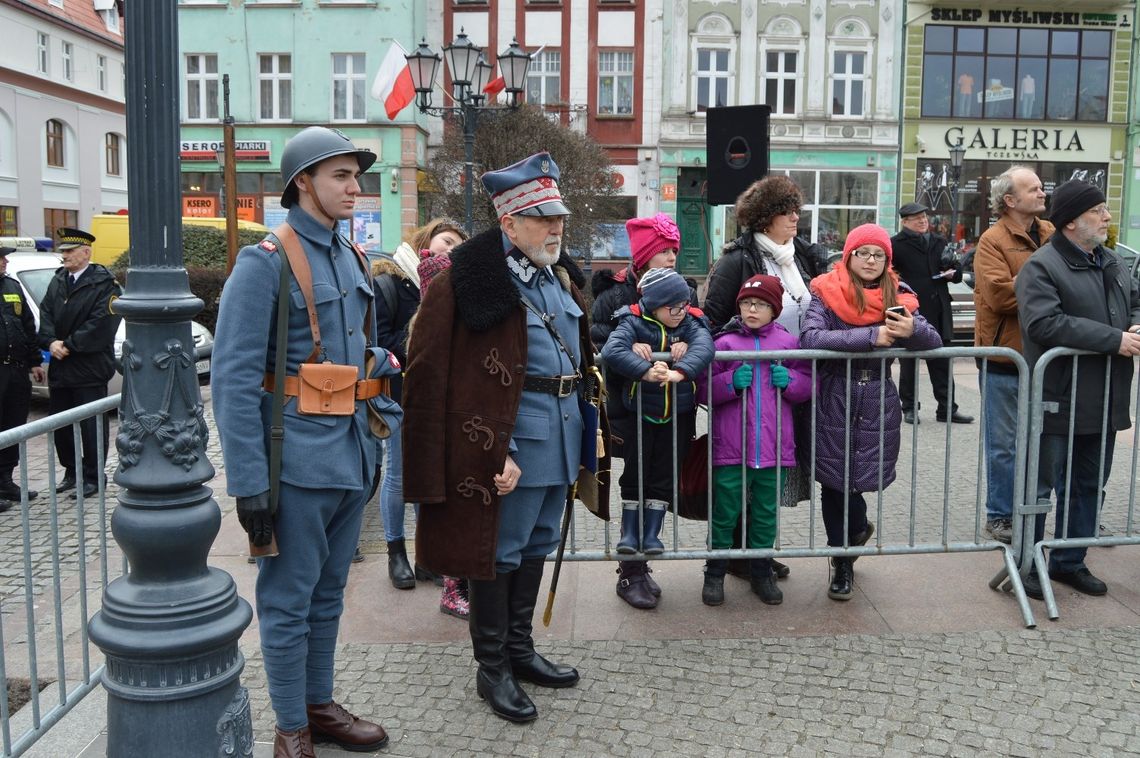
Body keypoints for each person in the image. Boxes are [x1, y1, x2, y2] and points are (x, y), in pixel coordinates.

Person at [402, 152, 608, 724]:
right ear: (509, 223)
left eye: (558, 216)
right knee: (499, 552)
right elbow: (430, 373)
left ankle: (520, 650)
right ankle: (491, 667)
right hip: (509, 447)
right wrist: (494, 448)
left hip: (562, 435)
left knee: (538, 543)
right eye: (543, 217)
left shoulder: (555, 274)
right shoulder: (466, 279)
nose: (556, 227)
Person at [212, 126, 389, 756]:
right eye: (340, 175)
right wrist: (249, 483)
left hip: (350, 454)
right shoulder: (266, 260)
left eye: (355, 175)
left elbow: (348, 350)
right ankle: (291, 728)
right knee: (288, 602)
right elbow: (232, 379)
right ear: (302, 183)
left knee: (328, 594)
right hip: (293, 461)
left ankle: (319, 704)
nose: (354, 187)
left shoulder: (352, 256)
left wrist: (381, 367)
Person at [799, 224, 942, 601]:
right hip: (834, 395)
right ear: (848, 256)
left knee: (859, 478)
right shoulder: (826, 292)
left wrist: (912, 330)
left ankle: (857, 530)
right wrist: (870, 337)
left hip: (878, 397)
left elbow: (934, 341)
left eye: (878, 255)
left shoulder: (900, 294)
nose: (871, 260)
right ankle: (841, 562)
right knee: (835, 480)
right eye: (863, 253)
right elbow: (811, 338)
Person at [1016, 180, 1140, 600]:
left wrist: (1135, 325)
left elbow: (1135, 300)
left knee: (1090, 485)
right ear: (1071, 221)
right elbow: (1043, 324)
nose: (1107, 217)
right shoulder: (1042, 266)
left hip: (1105, 398)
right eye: (1098, 211)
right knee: (1038, 487)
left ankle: (1070, 560)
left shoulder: (1111, 261)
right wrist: (1114, 339)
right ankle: (1028, 563)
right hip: (1059, 398)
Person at [703, 174, 828, 580]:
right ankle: (736, 555)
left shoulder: (803, 256)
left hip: (787, 381)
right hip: (745, 383)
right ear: (764, 218)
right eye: (785, 211)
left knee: (774, 473)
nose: (795, 217)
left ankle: (757, 551)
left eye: (796, 209)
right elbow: (712, 319)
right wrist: (729, 361)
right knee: (738, 475)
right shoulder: (737, 260)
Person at [589, 212, 695, 607]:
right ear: (645, 255)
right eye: (664, 251)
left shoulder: (686, 290)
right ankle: (629, 569)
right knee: (635, 476)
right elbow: (597, 337)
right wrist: (628, 344)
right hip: (629, 404)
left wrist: (681, 345)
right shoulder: (616, 294)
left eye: (675, 251)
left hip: (675, 405)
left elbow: (700, 329)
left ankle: (647, 554)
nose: (671, 257)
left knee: (663, 475)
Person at [600, 267, 714, 609]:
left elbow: (705, 346)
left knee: (665, 478)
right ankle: (630, 535)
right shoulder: (632, 322)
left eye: (683, 304)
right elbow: (611, 350)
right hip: (640, 416)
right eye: (672, 307)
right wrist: (645, 369)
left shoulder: (691, 324)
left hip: (677, 417)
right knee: (635, 476)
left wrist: (681, 370)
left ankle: (651, 535)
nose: (680, 311)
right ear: (653, 305)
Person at [698, 275, 811, 607]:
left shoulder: (789, 344)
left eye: (760, 304)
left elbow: (807, 384)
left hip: (774, 447)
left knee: (765, 512)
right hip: (730, 446)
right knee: (725, 511)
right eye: (747, 303)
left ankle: (762, 572)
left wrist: (789, 380)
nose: (752, 309)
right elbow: (702, 389)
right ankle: (715, 572)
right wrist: (730, 381)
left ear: (774, 309)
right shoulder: (725, 344)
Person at [371, 217, 467, 593]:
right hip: (399, 392)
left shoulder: (450, 285)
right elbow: (381, 337)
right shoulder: (392, 281)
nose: (452, 249)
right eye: (447, 240)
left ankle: (427, 555)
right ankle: (396, 553)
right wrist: (425, 344)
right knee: (397, 472)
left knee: (429, 473)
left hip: (437, 395)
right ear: (427, 238)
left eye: (459, 245)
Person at [973, 166, 1053, 544]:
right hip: (1005, 359)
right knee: (1004, 445)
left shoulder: (1052, 233)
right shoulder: (992, 240)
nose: (1042, 192)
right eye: (1033, 188)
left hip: (1047, 359)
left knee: (1043, 441)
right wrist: (1044, 277)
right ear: (1010, 200)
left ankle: (1036, 511)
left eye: (1041, 187)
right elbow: (1001, 297)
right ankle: (1000, 515)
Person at [37, 228, 122, 500]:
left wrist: (69, 345)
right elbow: (46, 312)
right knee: (61, 425)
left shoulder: (104, 283)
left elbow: (102, 324)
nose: (65, 256)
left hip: (88, 367)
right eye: (63, 252)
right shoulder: (59, 280)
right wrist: (50, 341)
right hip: (61, 367)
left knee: (90, 427)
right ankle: (72, 472)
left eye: (70, 251)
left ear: (86, 253)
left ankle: (94, 476)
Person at [890, 202, 971, 425]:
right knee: (909, 363)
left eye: (924, 217)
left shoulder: (939, 241)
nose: (922, 221)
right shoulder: (895, 244)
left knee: (942, 360)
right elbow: (888, 275)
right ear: (905, 221)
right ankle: (909, 408)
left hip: (939, 308)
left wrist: (952, 273)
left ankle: (947, 409)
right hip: (911, 310)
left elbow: (956, 271)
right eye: (917, 218)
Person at [0, 246, 46, 509]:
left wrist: (35, 361)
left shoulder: (11, 286)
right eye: (1, 257)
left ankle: (5, 479)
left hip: (16, 369)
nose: (6, 261)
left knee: (13, 425)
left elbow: (27, 325)